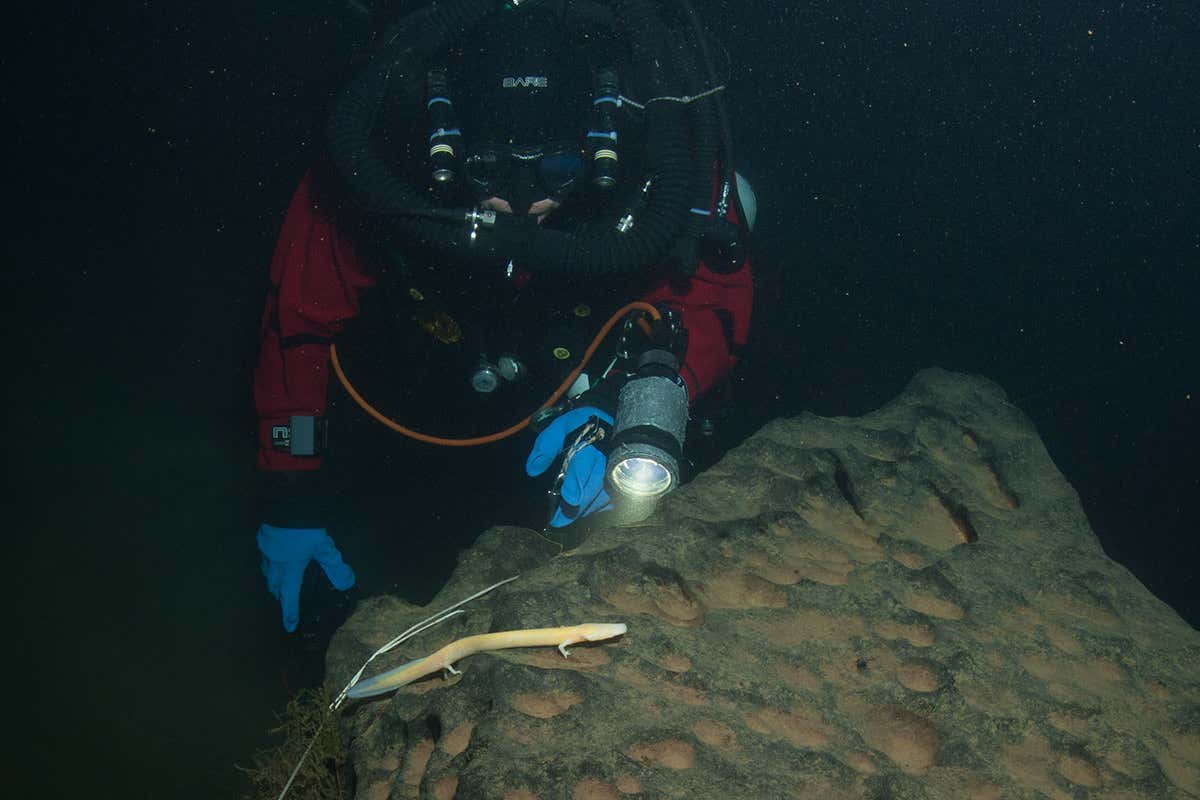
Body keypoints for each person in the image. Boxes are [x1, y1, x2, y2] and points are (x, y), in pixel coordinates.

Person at [253, 0, 757, 633]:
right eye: (488, 169)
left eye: (556, 171)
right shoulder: (382, 149)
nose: (522, 201)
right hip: (422, 398)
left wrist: (639, 406)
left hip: (589, 376)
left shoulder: (655, 142)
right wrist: (290, 486)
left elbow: (714, 294)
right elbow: (299, 321)